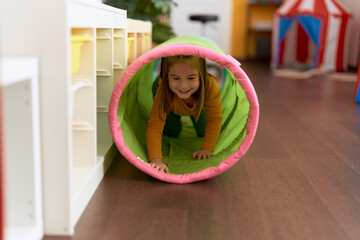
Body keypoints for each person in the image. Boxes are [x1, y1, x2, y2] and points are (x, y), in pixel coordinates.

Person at [146, 55, 223, 173]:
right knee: (172, 132)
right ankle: (176, 116)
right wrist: (156, 160)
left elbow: (215, 119)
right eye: (176, 78)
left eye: (191, 78)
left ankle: (192, 112)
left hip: (198, 103)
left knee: (203, 131)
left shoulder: (210, 86)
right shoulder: (163, 88)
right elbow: (154, 127)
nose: (183, 85)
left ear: (201, 74)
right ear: (166, 75)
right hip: (171, 104)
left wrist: (207, 148)